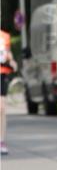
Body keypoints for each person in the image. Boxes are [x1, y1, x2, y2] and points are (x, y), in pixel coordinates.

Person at [1, 28, 18, 156]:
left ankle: (1, 141)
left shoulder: (5, 36)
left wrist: (12, 61)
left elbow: (8, 53)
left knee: (1, 108)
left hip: (2, 74)